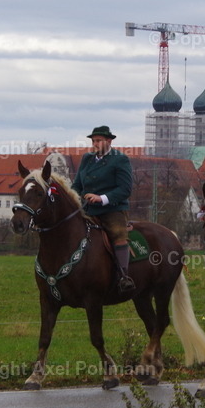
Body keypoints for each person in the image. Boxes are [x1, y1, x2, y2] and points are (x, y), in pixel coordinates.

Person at [72, 125, 135, 292]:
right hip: (87, 209)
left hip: (112, 209)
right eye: (93, 141)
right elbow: (77, 185)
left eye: (98, 140)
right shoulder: (87, 158)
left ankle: (124, 275)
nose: (95, 144)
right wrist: (74, 198)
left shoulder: (120, 159)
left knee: (118, 233)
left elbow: (125, 189)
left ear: (109, 141)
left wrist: (102, 198)